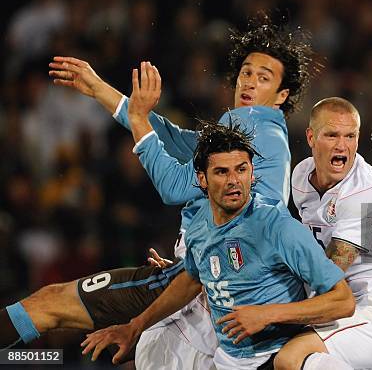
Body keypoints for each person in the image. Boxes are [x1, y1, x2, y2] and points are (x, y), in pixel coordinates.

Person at [1, 20, 312, 369]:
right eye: (246, 71)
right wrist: (102, 90)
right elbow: (173, 138)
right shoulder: (248, 135)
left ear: (282, 96)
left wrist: (137, 118)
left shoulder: (258, 129)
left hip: (209, 293)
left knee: (49, 304)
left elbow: (174, 186)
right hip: (202, 280)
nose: (250, 81)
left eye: (264, 77)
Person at [80, 119, 356, 370]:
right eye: (222, 172)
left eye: (242, 169)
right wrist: (135, 326)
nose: (234, 181)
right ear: (202, 179)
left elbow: (342, 301)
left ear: (252, 172)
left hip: (278, 356)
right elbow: (191, 279)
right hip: (229, 360)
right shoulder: (199, 224)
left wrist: (268, 314)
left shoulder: (276, 227)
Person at [275, 97, 372, 370]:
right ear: (311, 137)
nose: (341, 146)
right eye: (331, 135)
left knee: (289, 358)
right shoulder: (300, 176)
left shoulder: (366, 189)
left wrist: (270, 309)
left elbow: (330, 273)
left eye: (350, 136)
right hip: (349, 311)